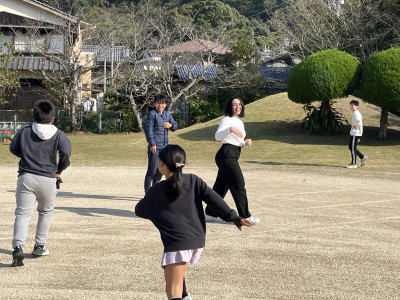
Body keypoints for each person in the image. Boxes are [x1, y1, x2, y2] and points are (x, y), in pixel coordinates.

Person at [135, 144, 251, 300]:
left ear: (161, 164)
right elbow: (215, 200)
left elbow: (139, 210)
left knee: (172, 292)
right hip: (196, 238)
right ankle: (185, 295)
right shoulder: (194, 180)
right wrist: (234, 218)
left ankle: (182, 295)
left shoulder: (156, 190)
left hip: (177, 243)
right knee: (179, 285)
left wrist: (159, 210)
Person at [9, 100, 71, 267]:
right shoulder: (59, 134)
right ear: (53, 118)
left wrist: (26, 156)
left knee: (22, 213)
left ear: (34, 116)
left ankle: (18, 246)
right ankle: (39, 246)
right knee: (45, 212)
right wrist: (59, 169)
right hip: (48, 178)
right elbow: (66, 153)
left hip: (26, 177)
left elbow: (13, 148)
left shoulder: (25, 131)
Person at [205, 97, 260, 225]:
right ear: (230, 107)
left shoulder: (239, 122)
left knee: (221, 186)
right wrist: (229, 129)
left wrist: (245, 143)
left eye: (239, 105)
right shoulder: (226, 120)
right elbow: (217, 136)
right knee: (238, 183)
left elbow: (237, 142)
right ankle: (245, 215)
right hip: (226, 154)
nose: (238, 107)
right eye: (234, 105)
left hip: (233, 153)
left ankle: (210, 213)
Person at [144, 94, 178, 193]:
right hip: (154, 147)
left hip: (164, 148)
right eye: (158, 103)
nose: (161, 106)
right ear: (155, 104)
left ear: (166, 104)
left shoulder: (167, 115)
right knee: (152, 171)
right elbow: (148, 130)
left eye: (163, 103)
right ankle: (148, 194)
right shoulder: (152, 114)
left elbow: (175, 126)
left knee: (160, 172)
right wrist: (152, 144)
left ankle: (155, 193)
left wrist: (170, 125)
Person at [346, 99, 368, 168]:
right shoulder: (356, 112)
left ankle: (354, 164)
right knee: (351, 147)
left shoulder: (356, 112)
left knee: (352, 148)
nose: (352, 106)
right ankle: (362, 157)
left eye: (353, 105)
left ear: (357, 106)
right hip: (355, 133)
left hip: (355, 133)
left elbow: (358, 119)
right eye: (351, 105)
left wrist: (355, 125)